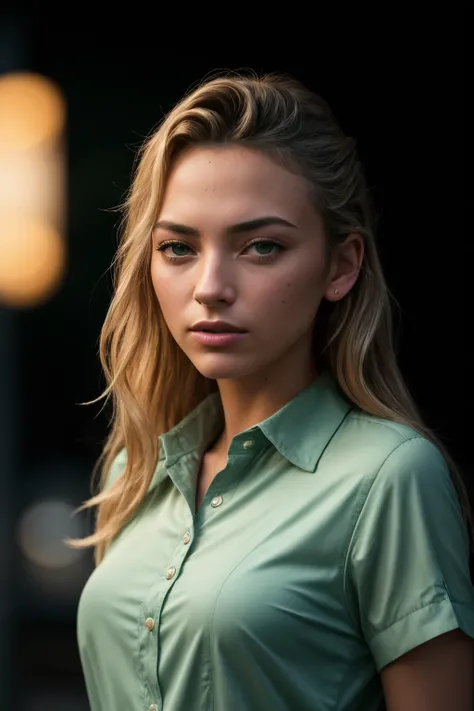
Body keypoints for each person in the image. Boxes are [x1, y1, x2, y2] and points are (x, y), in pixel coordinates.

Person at [68, 71, 474, 711]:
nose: (210, 286)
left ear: (340, 266)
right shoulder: (137, 470)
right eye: (177, 247)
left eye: (260, 246)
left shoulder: (389, 477)